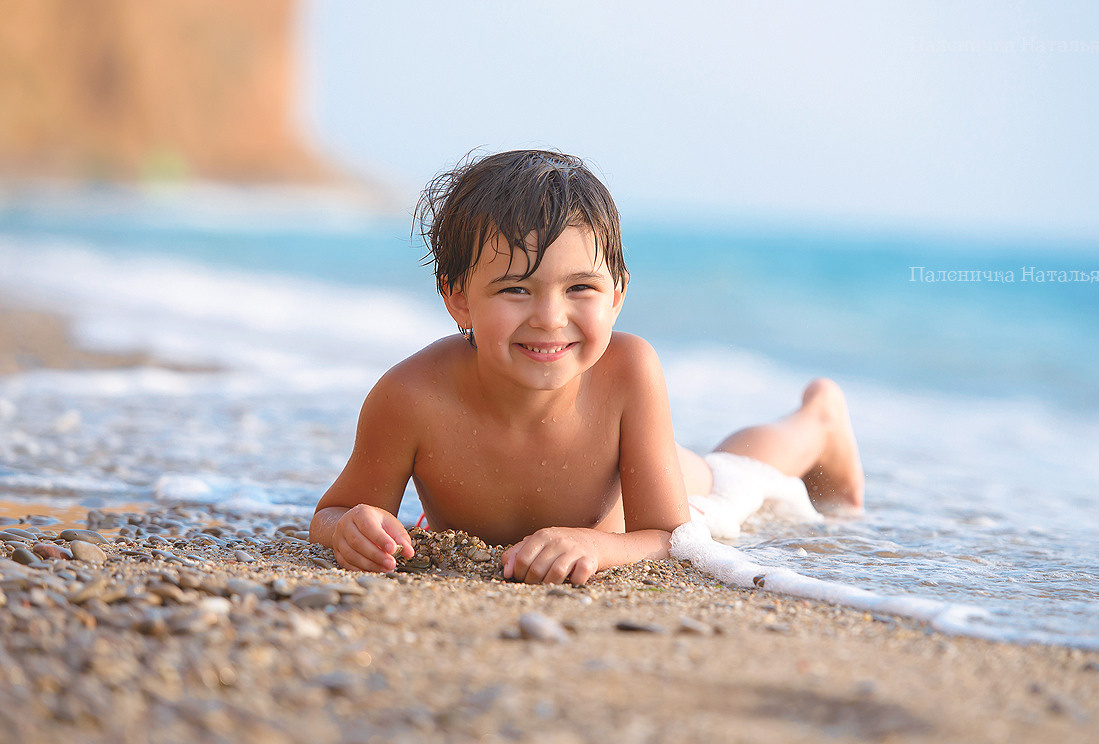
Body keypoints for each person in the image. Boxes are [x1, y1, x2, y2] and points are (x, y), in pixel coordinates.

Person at [310, 149, 864, 585]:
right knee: (733, 463)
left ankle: (819, 421)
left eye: (580, 288)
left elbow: (673, 535)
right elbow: (332, 512)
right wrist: (351, 529)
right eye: (515, 289)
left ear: (617, 295)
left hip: (680, 489)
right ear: (458, 298)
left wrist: (599, 546)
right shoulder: (412, 397)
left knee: (740, 473)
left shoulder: (627, 370)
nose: (550, 318)